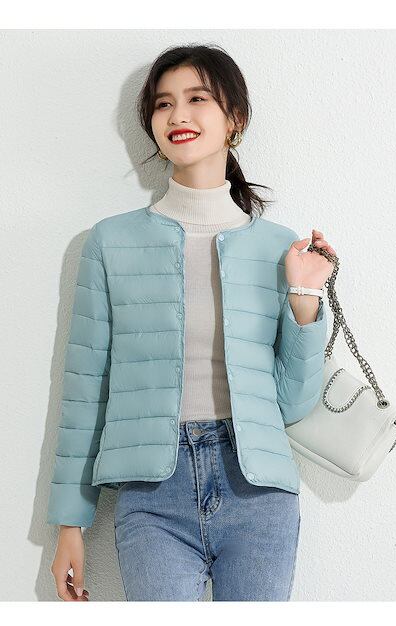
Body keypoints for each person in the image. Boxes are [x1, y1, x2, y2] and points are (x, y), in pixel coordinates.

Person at [48, 43, 335, 602]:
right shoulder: (110, 242)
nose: (177, 114)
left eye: (198, 98)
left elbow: (294, 402)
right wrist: (69, 524)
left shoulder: (279, 247)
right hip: (151, 494)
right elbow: (83, 393)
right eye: (163, 103)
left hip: (258, 494)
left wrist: (305, 296)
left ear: (236, 119)